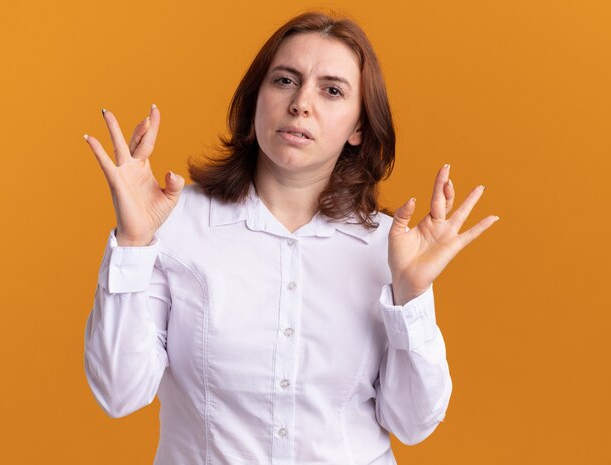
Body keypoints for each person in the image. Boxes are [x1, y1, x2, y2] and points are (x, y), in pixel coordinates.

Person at [83, 11, 498, 465]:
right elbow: (118, 392)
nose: (302, 103)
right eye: (284, 80)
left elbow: (413, 424)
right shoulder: (174, 224)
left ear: (359, 126)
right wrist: (132, 244)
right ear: (255, 99)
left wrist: (410, 296)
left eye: (332, 90)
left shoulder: (391, 247)